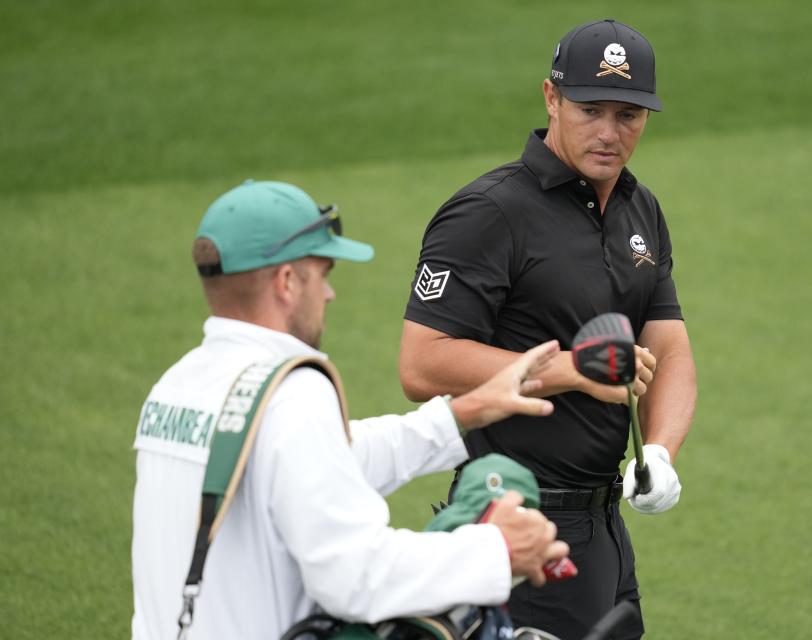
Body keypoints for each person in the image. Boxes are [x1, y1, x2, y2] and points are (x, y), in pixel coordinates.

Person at [130, 179, 572, 640]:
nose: (329, 295)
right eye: (322, 274)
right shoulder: (290, 393)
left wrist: (460, 415)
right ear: (286, 282)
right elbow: (355, 577)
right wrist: (495, 550)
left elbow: (315, 467)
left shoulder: (179, 384)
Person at [398, 19, 697, 639]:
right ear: (551, 99)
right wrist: (569, 370)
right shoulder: (489, 213)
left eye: (629, 115)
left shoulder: (641, 208)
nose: (610, 133)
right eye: (590, 109)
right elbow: (422, 364)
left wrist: (661, 449)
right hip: (516, 528)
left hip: (604, 531)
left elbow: (666, 343)